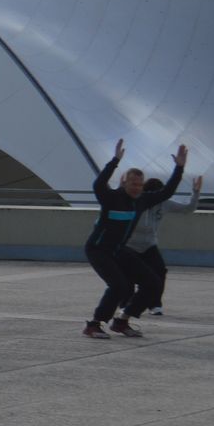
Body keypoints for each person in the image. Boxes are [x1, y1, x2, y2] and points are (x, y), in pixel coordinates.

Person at [82, 140, 187, 339]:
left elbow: (167, 192)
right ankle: (94, 325)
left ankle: (122, 321)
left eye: (140, 185)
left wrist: (179, 168)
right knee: (119, 286)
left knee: (153, 283)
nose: (137, 188)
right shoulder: (111, 198)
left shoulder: (142, 201)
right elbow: (98, 184)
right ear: (124, 182)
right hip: (99, 249)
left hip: (119, 250)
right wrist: (114, 161)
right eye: (133, 184)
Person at [124, 173, 201, 318]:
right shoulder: (137, 201)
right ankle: (127, 303)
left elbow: (188, 209)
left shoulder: (165, 203)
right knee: (128, 274)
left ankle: (155, 304)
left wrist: (195, 192)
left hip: (149, 244)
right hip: (129, 244)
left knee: (159, 272)